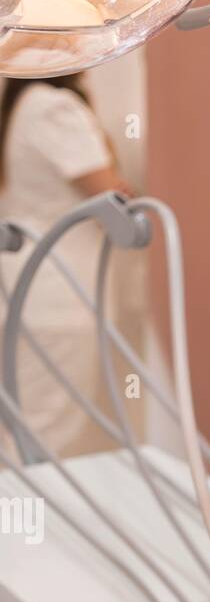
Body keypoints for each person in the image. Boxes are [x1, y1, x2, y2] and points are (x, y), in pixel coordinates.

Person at [0, 74, 133, 458]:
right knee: (43, 437)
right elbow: (116, 206)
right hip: (59, 299)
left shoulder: (21, 106)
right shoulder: (53, 107)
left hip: (27, 294)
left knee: (24, 432)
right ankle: (25, 519)